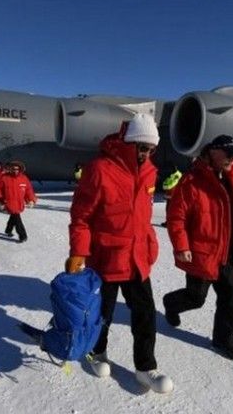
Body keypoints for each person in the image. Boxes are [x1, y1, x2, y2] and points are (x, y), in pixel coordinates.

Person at [66, 113, 173, 393]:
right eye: (142, 148)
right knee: (103, 314)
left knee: (145, 315)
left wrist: (150, 241)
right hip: (107, 258)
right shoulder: (100, 169)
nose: (147, 153)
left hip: (137, 258)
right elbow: (81, 217)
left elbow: (144, 213)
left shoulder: (150, 170)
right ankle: (96, 352)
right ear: (129, 143)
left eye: (151, 149)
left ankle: (145, 367)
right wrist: (78, 252)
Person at [162, 134, 233, 361]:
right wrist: (182, 245)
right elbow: (176, 217)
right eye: (228, 153)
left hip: (228, 253)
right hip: (202, 252)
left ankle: (223, 340)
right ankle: (171, 303)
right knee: (196, 298)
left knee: (230, 299)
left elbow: (232, 209)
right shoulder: (192, 181)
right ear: (213, 152)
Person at [0, 161, 36, 242]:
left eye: (17, 169)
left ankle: (8, 230)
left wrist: (31, 200)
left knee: (14, 216)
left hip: (19, 202)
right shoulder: (5, 178)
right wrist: (0, 201)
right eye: (13, 169)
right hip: (9, 202)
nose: (15, 170)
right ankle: (22, 235)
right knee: (17, 218)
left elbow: (29, 190)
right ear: (11, 169)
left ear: (20, 169)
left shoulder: (24, 178)